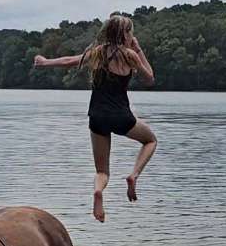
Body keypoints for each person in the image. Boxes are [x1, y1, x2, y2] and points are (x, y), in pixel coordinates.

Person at [34, 14, 157, 222]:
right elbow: (150, 78)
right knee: (150, 140)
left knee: (102, 171)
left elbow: (68, 61)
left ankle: (98, 192)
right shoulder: (130, 55)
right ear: (125, 35)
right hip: (121, 117)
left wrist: (45, 62)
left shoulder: (97, 53)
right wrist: (138, 50)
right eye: (131, 33)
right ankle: (134, 175)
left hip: (97, 118)